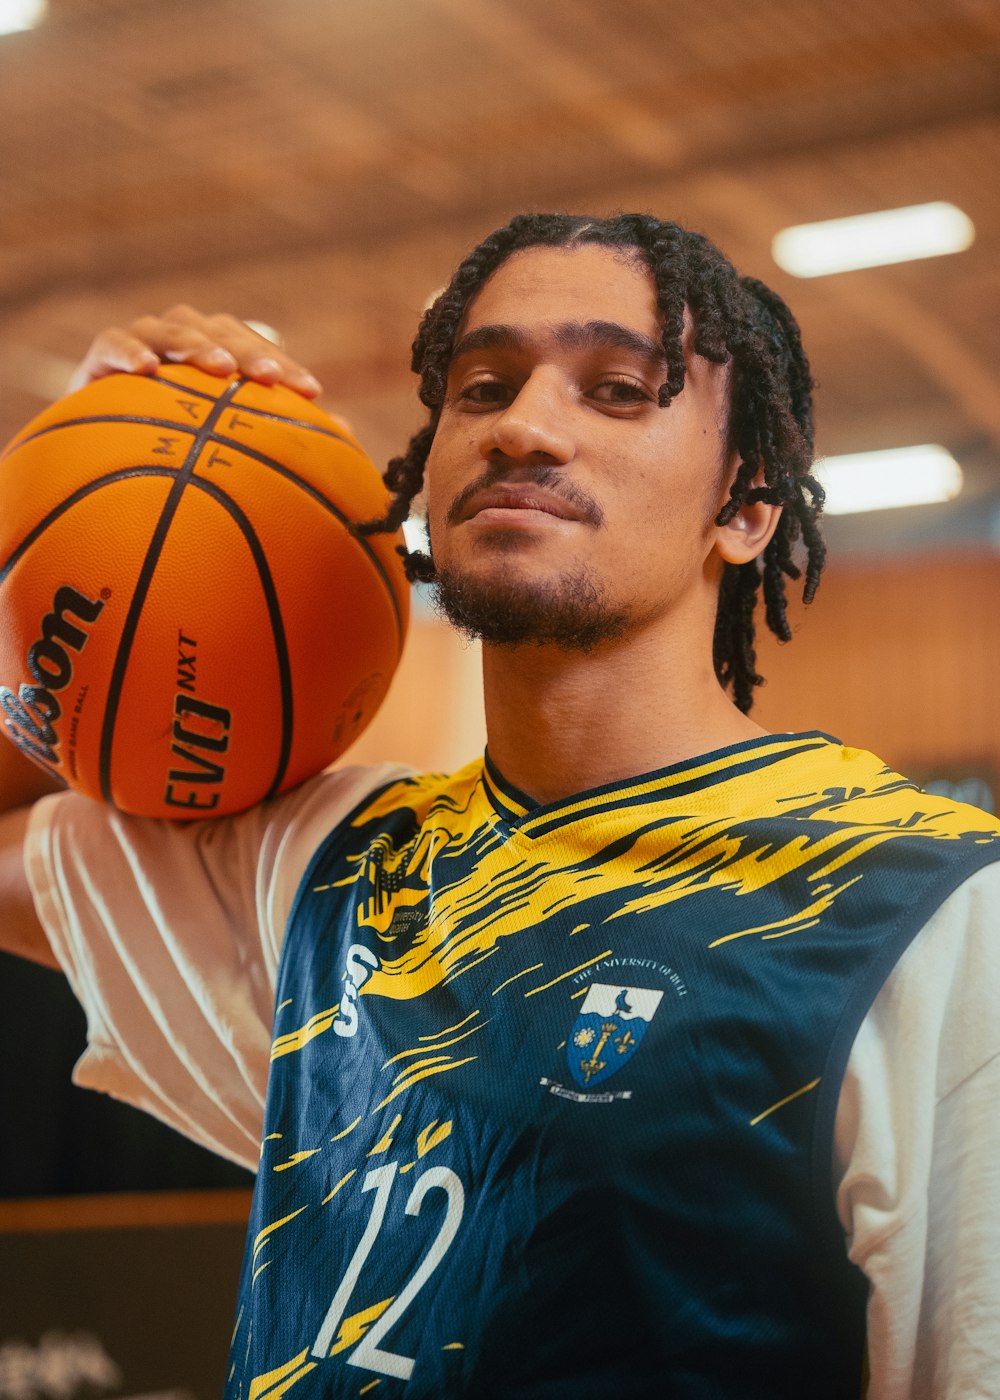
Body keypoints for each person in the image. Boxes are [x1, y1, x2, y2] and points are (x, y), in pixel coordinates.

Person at [2, 212, 999, 1399]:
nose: (523, 424)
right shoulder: (332, 864)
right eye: (482, 384)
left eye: (619, 387)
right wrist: (63, 536)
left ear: (743, 506)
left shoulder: (922, 910)